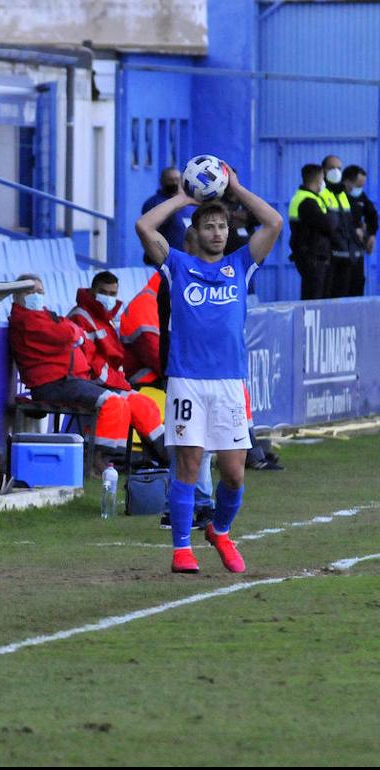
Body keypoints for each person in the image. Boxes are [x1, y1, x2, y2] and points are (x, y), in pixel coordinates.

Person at [136, 160, 283, 574]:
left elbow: (272, 222)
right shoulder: (178, 266)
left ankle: (219, 531)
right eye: (209, 228)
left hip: (230, 384)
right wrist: (181, 198)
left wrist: (235, 188)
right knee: (189, 462)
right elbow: (144, 227)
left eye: (222, 227)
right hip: (186, 381)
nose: (218, 234)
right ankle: (181, 549)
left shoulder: (239, 264)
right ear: (194, 234)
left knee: (234, 474)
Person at [9, 273, 168, 466]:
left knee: (143, 403)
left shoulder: (45, 315)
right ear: (16, 295)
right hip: (57, 383)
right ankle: (99, 463)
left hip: (74, 380)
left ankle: (165, 458)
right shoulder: (27, 319)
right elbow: (66, 334)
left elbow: (69, 332)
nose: (37, 295)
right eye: (31, 291)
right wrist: (74, 333)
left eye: (40, 291)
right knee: (114, 403)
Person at [288, 163, 333, 300]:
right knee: (313, 296)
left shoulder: (308, 198)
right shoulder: (307, 201)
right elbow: (328, 225)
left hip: (313, 254)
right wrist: (331, 209)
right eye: (323, 179)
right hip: (311, 255)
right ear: (319, 180)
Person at [320, 154, 359, 298]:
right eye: (332, 168)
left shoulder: (342, 194)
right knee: (326, 295)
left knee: (342, 295)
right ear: (323, 170)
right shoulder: (320, 192)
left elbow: (348, 225)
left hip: (345, 254)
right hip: (329, 256)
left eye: (339, 168)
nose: (336, 171)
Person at [340, 165, 375, 296]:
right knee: (343, 286)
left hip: (357, 249)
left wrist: (371, 234)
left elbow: (372, 214)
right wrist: (353, 230)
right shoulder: (336, 196)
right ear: (347, 181)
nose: (359, 189)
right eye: (358, 185)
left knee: (357, 283)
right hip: (341, 250)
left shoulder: (361, 197)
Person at [141, 167, 194, 252]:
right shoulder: (154, 203)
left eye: (177, 179)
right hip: (166, 255)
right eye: (170, 180)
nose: (174, 183)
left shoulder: (189, 203)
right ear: (162, 181)